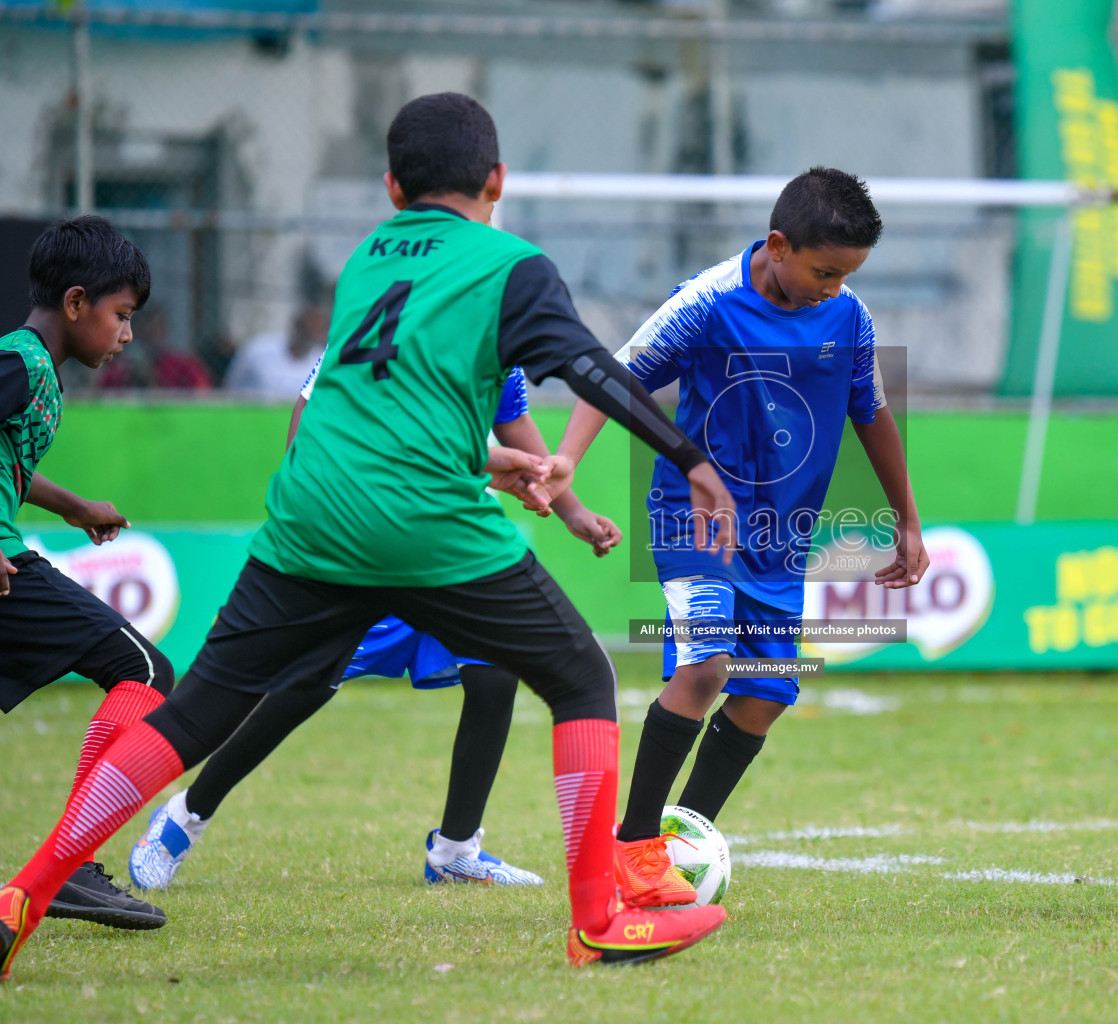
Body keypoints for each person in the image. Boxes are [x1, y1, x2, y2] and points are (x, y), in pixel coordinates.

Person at [0, 91, 740, 980]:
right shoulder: (512, 263)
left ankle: (25, 893)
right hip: (422, 523)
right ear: (497, 180)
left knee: (192, 710)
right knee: (580, 674)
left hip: (309, 517)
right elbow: (587, 366)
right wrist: (688, 457)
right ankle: (598, 920)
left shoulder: (364, 262)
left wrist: (489, 460)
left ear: (391, 187)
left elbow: (378, 403)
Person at [554, 166, 929, 906]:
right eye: (823, 271)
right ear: (779, 244)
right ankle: (632, 848)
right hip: (697, 520)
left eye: (846, 274)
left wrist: (906, 518)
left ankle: (675, 842)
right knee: (704, 669)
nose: (832, 287)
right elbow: (614, 373)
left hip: (781, 539)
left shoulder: (848, 315)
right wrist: (565, 461)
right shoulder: (707, 302)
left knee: (767, 694)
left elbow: (872, 410)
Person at [127, 363, 622, 890]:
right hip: (365, 529)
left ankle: (455, 850)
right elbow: (313, 411)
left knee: (494, 669)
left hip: (453, 538)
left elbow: (513, 423)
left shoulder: (499, 338)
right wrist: (309, 508)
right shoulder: (384, 313)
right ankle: (184, 817)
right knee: (307, 682)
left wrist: (570, 509)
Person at [0, 215, 174, 933]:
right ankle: (70, 861)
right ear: (77, 304)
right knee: (143, 670)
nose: (127, 334)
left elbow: (9, 461)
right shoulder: (21, 363)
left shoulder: (35, 370)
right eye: (122, 316)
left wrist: (73, 506)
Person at [222, 300, 329, 398]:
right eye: (309, 325)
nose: (311, 332)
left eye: (318, 328)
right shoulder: (258, 349)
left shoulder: (323, 362)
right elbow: (232, 384)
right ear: (296, 324)